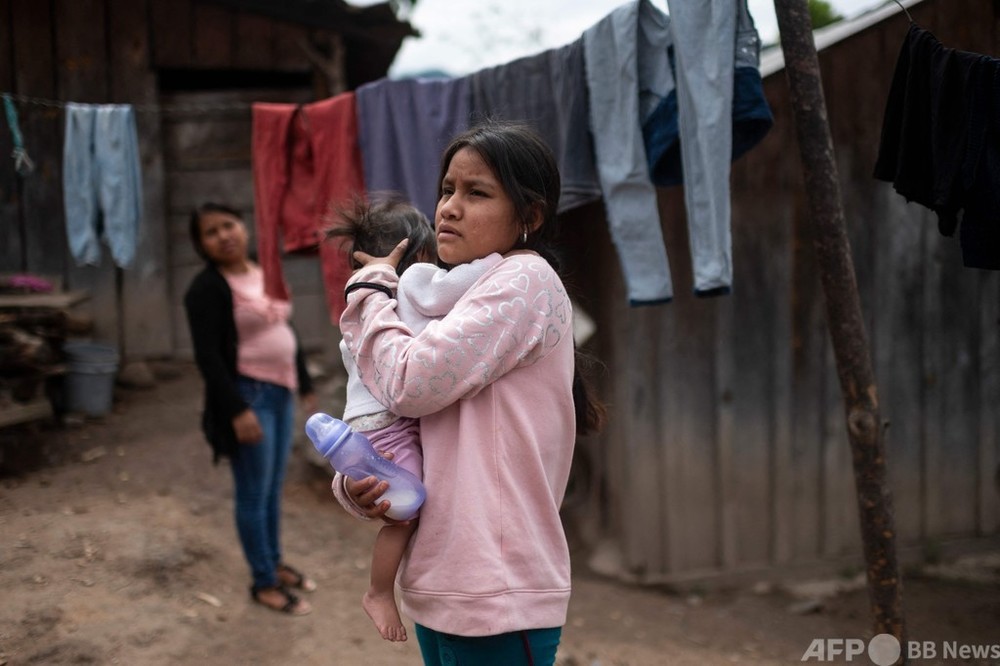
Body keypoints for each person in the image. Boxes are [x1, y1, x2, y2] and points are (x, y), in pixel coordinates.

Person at [333, 121, 606, 665]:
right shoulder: (448, 296)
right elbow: (395, 416)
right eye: (446, 190)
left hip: (496, 587)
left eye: (476, 193)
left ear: (529, 217)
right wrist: (361, 485)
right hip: (440, 579)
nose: (449, 208)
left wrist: (369, 292)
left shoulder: (523, 281)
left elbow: (409, 382)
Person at [327, 195, 503, 642]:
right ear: (419, 253)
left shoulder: (363, 305)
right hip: (388, 423)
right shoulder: (412, 285)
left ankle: (382, 588)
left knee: (403, 509)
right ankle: (378, 591)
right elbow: (446, 289)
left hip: (369, 423)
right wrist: (499, 262)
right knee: (404, 514)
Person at [184, 202, 318, 616]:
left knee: (271, 489)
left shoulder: (264, 268)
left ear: (243, 227)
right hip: (249, 397)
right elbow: (208, 357)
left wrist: (305, 382)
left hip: (280, 392)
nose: (224, 235)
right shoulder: (205, 289)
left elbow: (284, 327)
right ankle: (263, 582)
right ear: (201, 245)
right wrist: (237, 410)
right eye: (211, 232)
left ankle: (274, 563)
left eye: (229, 225)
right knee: (253, 493)